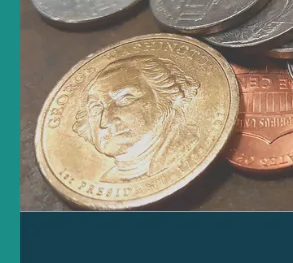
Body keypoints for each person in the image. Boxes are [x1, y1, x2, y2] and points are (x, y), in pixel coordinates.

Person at [73, 53, 200, 182]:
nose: (105, 122)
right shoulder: (106, 181)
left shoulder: (192, 149)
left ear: (165, 97)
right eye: (96, 108)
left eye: (124, 98)